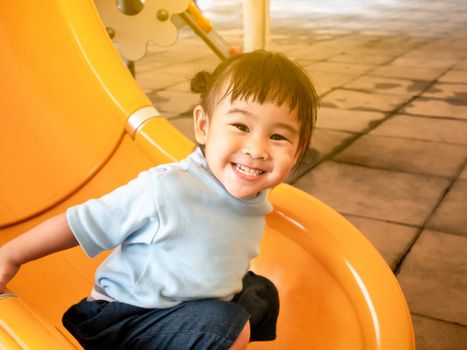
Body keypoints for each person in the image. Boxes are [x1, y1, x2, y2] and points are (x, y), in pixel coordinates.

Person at [0, 50, 319, 349]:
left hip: (189, 301)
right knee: (227, 325)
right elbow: (80, 223)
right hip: (124, 319)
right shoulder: (167, 189)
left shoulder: (253, 188)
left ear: (298, 147)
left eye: (278, 136)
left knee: (261, 293)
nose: (257, 149)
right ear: (204, 126)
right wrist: (11, 256)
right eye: (240, 126)